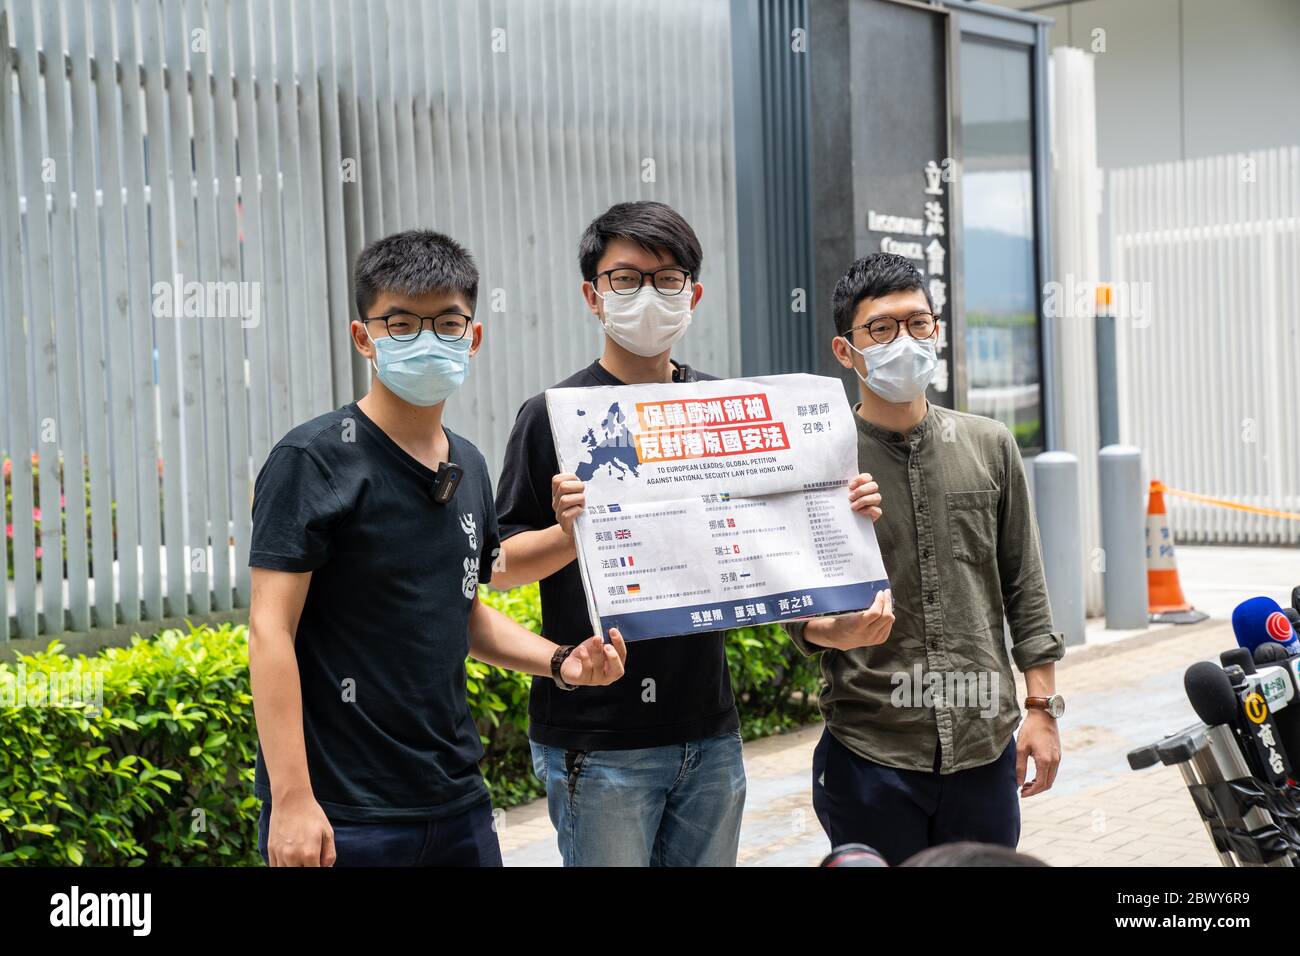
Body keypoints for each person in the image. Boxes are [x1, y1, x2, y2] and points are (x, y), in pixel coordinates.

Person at [492, 201, 891, 866]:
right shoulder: (554, 416)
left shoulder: (720, 407)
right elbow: (499, 565)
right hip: (597, 738)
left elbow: (770, 548)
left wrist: (839, 507)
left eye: (667, 279)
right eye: (626, 279)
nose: (648, 296)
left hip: (709, 733)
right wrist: (570, 533)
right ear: (593, 296)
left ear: (693, 295)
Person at [248, 229, 627, 867]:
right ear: (363, 336)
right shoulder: (311, 460)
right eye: (400, 322)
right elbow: (269, 630)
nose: (427, 339)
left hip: (457, 802)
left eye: (448, 323)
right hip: (346, 814)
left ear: (473, 337)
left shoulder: (470, 464)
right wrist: (291, 800)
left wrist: (562, 661)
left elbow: (463, 609)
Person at [784, 252, 1065, 866]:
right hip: (871, 751)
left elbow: (1026, 589)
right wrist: (838, 630)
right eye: (881, 329)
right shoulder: (819, 462)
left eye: (918, 324)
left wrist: (1042, 710)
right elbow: (792, 608)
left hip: (983, 747)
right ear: (844, 349)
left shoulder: (990, 445)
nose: (903, 341)